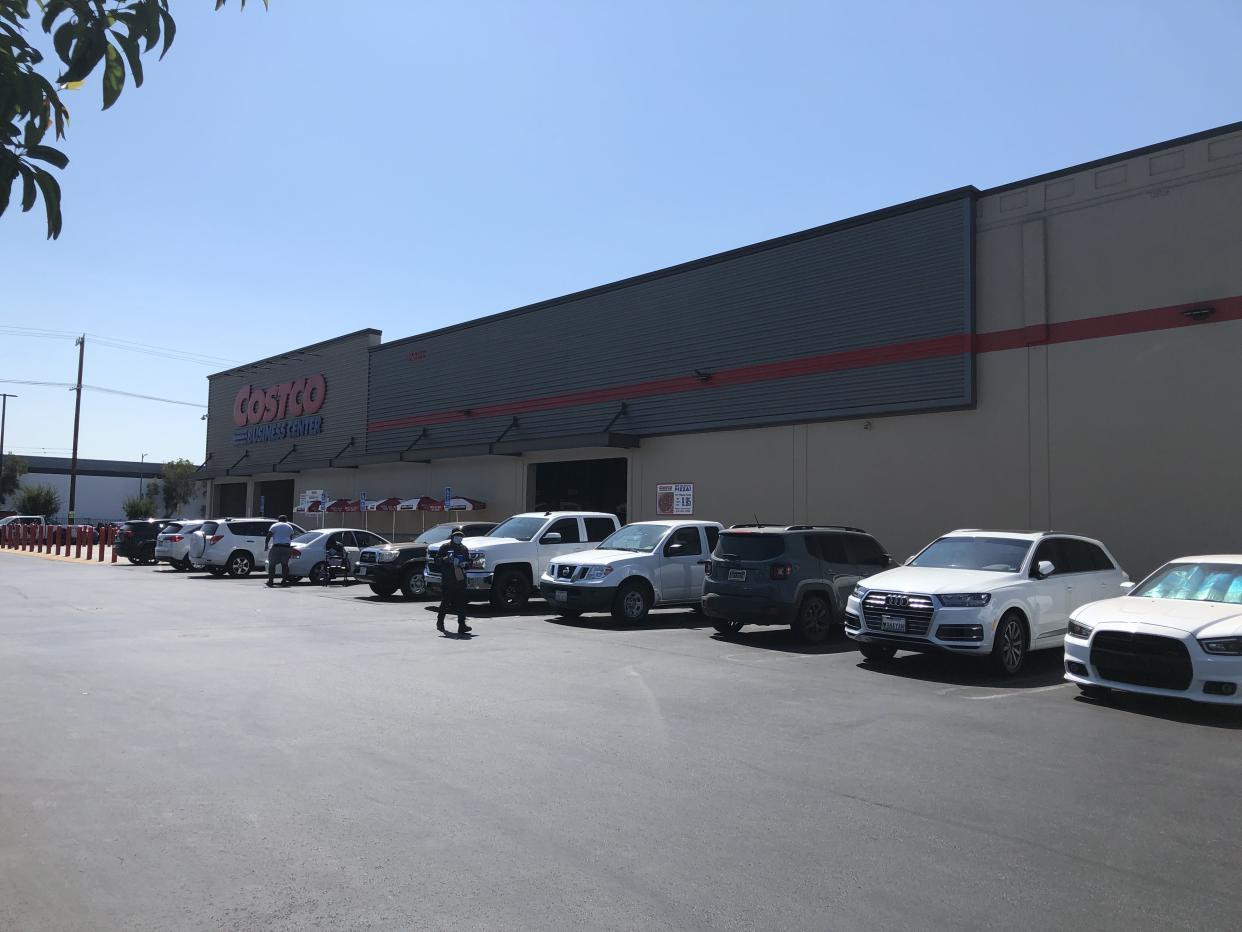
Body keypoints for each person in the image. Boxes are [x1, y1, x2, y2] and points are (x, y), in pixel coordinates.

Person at [435, 526, 472, 635]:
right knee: (445, 602)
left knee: (461, 604)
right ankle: (440, 622)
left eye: (460, 536)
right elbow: (437, 560)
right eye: (456, 536)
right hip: (448, 579)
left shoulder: (464, 549)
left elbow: (469, 563)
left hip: (460, 579)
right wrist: (445, 559)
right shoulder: (445, 547)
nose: (458, 538)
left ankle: (462, 625)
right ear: (452, 536)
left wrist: (465, 564)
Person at [265, 514, 296, 587]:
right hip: (286, 547)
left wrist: (266, 545)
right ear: (286, 520)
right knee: (285, 565)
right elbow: (291, 537)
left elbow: (268, 536)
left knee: (272, 564)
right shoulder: (289, 526)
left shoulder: (274, 526)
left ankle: (270, 581)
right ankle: (284, 581)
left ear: (278, 520)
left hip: (276, 547)